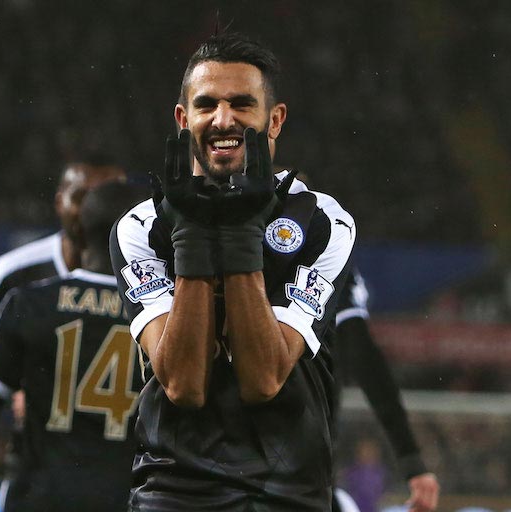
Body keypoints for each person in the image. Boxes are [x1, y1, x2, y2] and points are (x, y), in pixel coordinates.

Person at [110, 32, 355, 511]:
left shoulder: (323, 222)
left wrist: (241, 234)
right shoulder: (141, 227)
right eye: (207, 105)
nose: (224, 120)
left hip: (287, 494)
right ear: (184, 119)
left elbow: (263, 380)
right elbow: (182, 384)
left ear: (274, 119)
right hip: (173, 492)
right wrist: (194, 235)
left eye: (242, 104)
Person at [0, 153, 127, 512]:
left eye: (107, 194)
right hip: (91, 479)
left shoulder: (31, 299)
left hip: (49, 486)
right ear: (60, 201)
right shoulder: (13, 273)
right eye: (85, 194)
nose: (96, 205)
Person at [331, 268, 440, 512]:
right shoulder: (328, 249)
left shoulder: (240, 253)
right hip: (300, 462)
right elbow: (365, 359)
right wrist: (411, 458)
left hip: (236, 454)